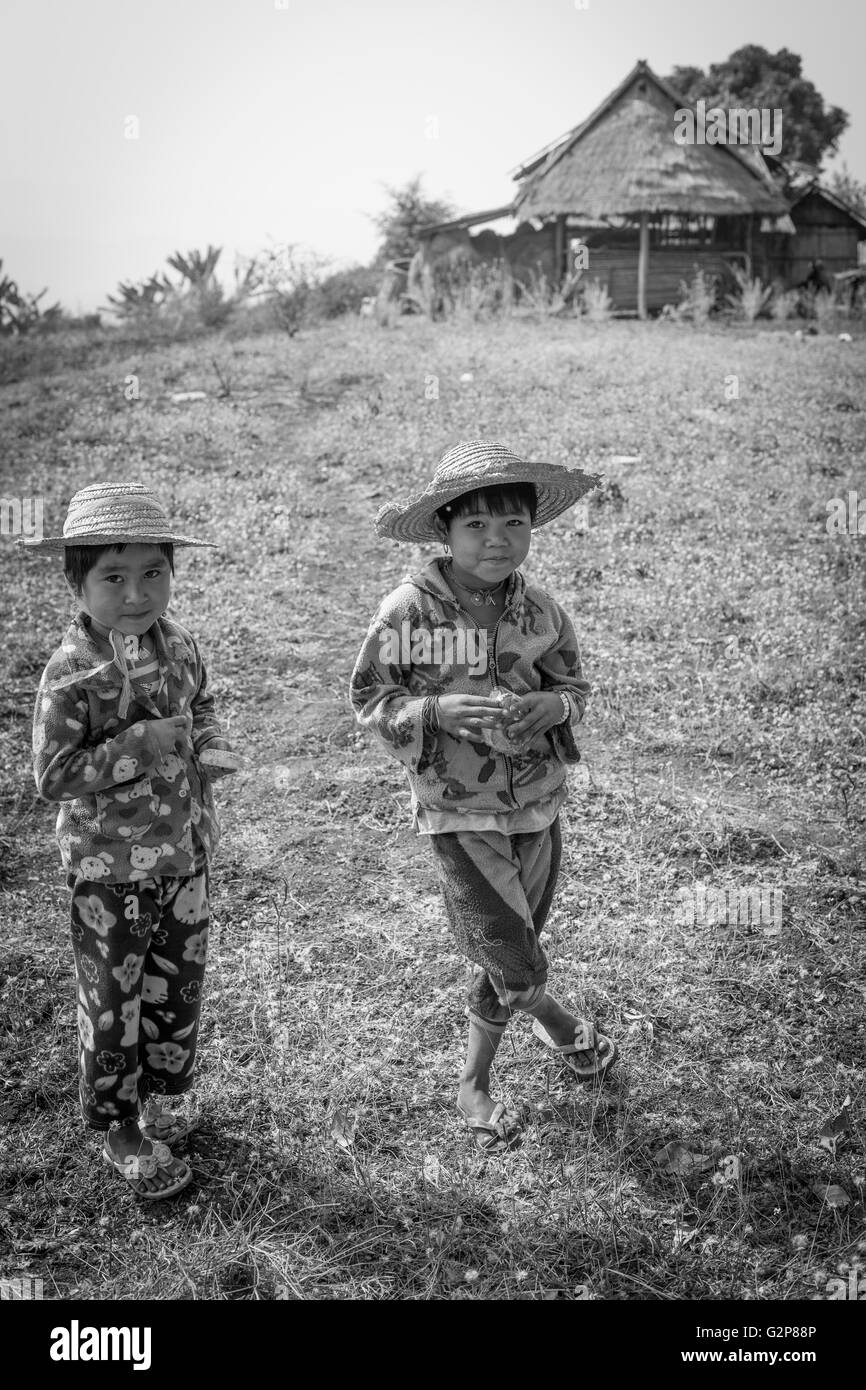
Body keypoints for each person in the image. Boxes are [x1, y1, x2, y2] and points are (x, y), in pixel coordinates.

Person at [350, 440, 616, 1154]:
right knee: (512, 951)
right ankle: (560, 1023)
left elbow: (575, 688)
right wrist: (435, 713)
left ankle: (474, 1080)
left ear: (533, 529)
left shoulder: (542, 612)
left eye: (513, 526)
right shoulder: (407, 610)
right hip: (456, 807)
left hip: (536, 802)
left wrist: (554, 711)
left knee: (509, 949)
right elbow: (370, 697)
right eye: (476, 527)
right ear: (445, 530)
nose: (496, 542)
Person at [22, 483, 239, 1199]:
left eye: (153, 572)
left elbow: (201, 702)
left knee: (177, 984)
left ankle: (165, 1095)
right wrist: (138, 744)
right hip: (108, 872)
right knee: (113, 997)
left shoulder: (177, 645)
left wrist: (209, 743)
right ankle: (119, 1125)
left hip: (185, 854)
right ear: (76, 581)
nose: (137, 593)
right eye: (113, 576)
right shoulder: (71, 673)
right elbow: (53, 775)